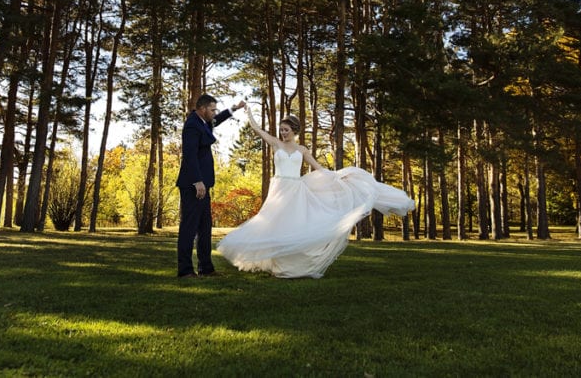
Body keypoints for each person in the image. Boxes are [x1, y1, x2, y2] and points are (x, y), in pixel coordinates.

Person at [216, 105, 415, 278]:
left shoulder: (302, 150)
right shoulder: (276, 143)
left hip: (296, 189)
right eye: (281, 130)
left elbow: (318, 168)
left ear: (294, 131)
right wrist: (247, 111)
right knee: (274, 224)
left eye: (286, 130)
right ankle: (278, 265)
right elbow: (257, 129)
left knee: (293, 226)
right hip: (279, 189)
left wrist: (336, 177)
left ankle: (291, 267)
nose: (283, 133)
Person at [176, 93, 245, 278]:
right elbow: (189, 155)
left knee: (205, 227)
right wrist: (197, 181)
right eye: (212, 110)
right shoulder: (192, 125)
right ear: (202, 108)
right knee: (189, 228)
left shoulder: (203, 122)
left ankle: (206, 268)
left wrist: (234, 108)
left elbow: (217, 120)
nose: (215, 113)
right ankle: (185, 270)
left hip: (203, 184)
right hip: (193, 185)